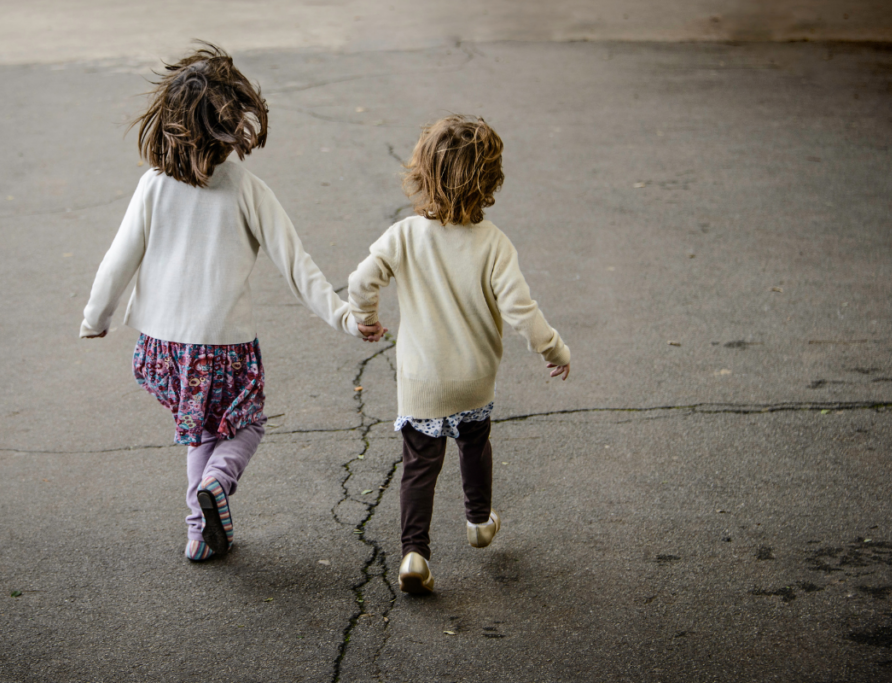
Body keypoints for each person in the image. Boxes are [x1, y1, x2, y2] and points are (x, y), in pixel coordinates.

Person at [80, 43, 379, 562]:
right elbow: (297, 266)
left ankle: (200, 534)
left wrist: (96, 317)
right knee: (246, 423)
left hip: (163, 347)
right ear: (233, 121)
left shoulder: (153, 186)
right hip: (223, 347)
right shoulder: (247, 188)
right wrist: (346, 318)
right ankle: (218, 480)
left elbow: (117, 259)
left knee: (201, 428)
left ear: (169, 122)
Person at [348, 115, 570, 594]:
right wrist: (554, 349)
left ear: (423, 174)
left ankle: (414, 555)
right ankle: (478, 522)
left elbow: (360, 281)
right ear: (490, 181)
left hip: (420, 380)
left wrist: (366, 317)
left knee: (419, 465)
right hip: (474, 379)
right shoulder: (494, 244)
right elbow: (521, 311)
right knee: (474, 444)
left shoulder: (403, 236)